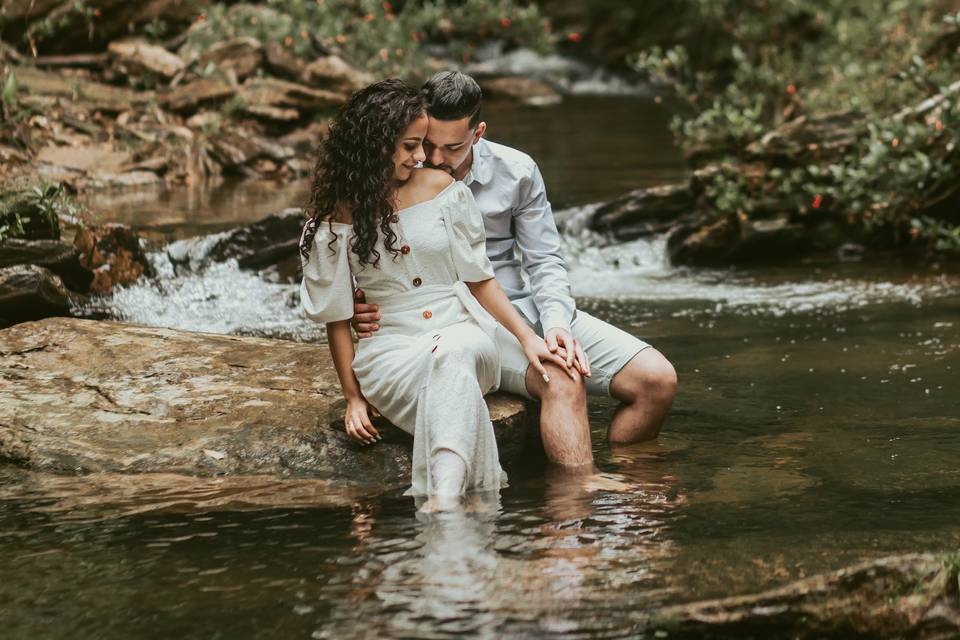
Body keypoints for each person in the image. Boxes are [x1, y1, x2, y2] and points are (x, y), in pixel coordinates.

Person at [352, 71, 677, 467]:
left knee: (657, 381)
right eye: (428, 144)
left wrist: (556, 324)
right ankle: (573, 508)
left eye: (452, 147)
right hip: (464, 320)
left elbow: (544, 260)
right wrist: (359, 298)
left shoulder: (518, 171)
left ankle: (629, 484)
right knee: (561, 377)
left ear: (479, 132)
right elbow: (358, 249)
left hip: (524, 307)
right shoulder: (402, 171)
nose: (434, 159)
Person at [299, 79, 573, 509]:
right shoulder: (334, 216)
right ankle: (455, 508)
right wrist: (353, 397)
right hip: (390, 353)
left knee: (453, 352)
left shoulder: (445, 191)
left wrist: (527, 338)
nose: (422, 156)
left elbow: (481, 279)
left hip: (463, 331)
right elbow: (336, 316)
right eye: (410, 146)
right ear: (376, 144)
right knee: (449, 370)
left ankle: (441, 504)